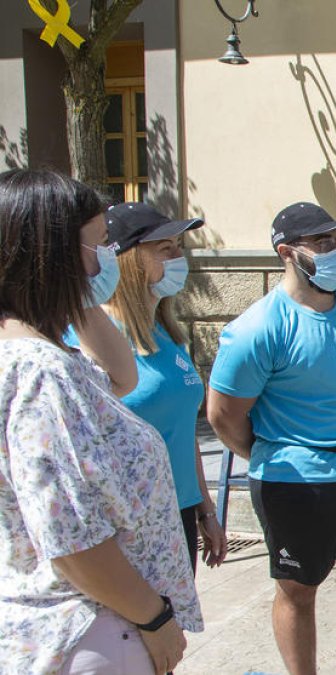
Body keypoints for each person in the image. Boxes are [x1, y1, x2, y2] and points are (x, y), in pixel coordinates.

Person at [0, 169, 201, 674]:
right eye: (99, 245)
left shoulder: (42, 353)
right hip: (89, 626)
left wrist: (80, 296)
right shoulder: (39, 372)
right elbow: (73, 542)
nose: (109, 257)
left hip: (98, 624)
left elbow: (118, 374)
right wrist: (155, 620)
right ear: (53, 257)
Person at [206, 202, 336, 675]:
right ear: (286, 253)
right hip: (293, 481)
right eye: (321, 243)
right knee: (299, 589)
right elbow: (223, 414)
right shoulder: (257, 329)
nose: (335, 250)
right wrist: (270, 451)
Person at [66, 202, 228, 572]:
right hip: (126, 519)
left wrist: (205, 509)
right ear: (126, 260)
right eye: (164, 249)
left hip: (179, 510)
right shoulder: (87, 336)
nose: (178, 257)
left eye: (178, 246)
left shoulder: (168, 334)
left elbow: (184, 431)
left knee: (174, 627)